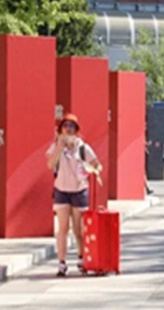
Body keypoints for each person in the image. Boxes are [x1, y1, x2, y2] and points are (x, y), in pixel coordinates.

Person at [45, 113, 102, 277]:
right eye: (65, 126)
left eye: (71, 126)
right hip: (61, 190)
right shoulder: (55, 146)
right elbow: (50, 165)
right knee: (63, 228)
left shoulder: (83, 147)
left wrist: (91, 170)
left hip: (79, 190)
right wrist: (59, 147)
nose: (68, 129)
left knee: (79, 229)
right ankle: (61, 263)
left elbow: (98, 165)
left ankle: (81, 257)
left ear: (76, 130)